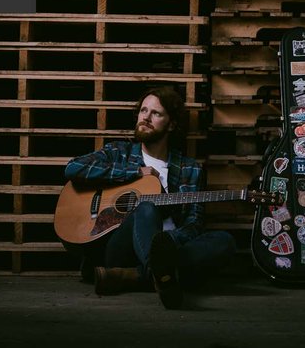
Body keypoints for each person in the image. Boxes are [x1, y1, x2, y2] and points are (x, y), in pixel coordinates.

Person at [64, 86, 235, 308]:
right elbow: (73, 167)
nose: (145, 117)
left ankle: (136, 276)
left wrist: (167, 242)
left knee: (224, 242)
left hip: (171, 247)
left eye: (156, 113)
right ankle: (160, 274)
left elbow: (194, 223)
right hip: (121, 249)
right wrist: (134, 172)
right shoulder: (120, 153)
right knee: (146, 207)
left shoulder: (190, 169)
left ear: (171, 124)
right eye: (143, 110)